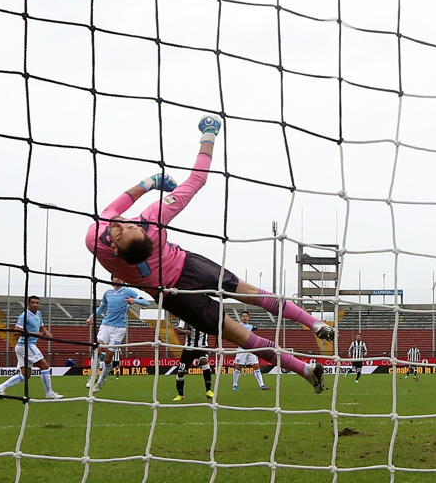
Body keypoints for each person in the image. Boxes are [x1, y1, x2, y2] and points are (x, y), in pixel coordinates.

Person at [84, 115, 327, 393]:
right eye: (122, 228)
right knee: (245, 323)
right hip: (185, 275)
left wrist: (149, 183)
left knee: (244, 321)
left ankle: (311, 338)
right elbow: (197, 178)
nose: (119, 222)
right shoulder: (154, 218)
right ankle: (308, 355)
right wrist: (208, 133)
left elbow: (117, 207)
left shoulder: (97, 238)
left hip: (173, 292)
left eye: (126, 224)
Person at [85, 277, 150, 391]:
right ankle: (92, 377)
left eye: (120, 277)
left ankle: (100, 382)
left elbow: (146, 302)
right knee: (97, 349)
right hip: (106, 325)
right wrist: (91, 317)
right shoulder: (108, 293)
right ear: (111, 279)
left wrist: (135, 301)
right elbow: (101, 308)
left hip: (119, 328)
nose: (118, 279)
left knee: (108, 359)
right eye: (115, 277)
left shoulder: (128, 291)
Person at [0, 295, 63, 399]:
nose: (35, 304)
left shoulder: (38, 314)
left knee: (26, 375)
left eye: (37, 303)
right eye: (33, 302)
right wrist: (35, 334)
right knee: (44, 367)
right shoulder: (24, 316)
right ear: (28, 304)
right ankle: (49, 393)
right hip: (26, 345)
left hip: (23, 346)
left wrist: (47, 333)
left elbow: (41, 326)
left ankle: (0, 387)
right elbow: (16, 331)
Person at [172, 319, 214, 401]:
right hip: (188, 349)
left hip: (203, 347)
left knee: (204, 361)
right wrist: (184, 331)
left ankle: (208, 391)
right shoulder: (185, 317)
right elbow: (178, 330)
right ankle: (180, 395)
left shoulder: (205, 317)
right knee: (181, 373)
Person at [231, 311, 268, 392]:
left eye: (246, 316)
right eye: (243, 316)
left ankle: (262, 384)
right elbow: (246, 330)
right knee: (238, 366)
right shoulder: (239, 326)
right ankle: (234, 384)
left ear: (248, 318)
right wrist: (253, 327)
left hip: (251, 349)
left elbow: (253, 329)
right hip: (242, 349)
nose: (244, 317)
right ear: (241, 318)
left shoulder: (250, 326)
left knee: (256, 366)